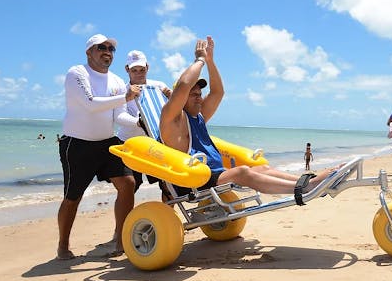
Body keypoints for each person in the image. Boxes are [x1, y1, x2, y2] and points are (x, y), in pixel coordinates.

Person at [159, 36, 338, 196]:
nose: (200, 98)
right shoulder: (173, 120)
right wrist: (200, 60)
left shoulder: (198, 117)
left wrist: (210, 61)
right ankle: (306, 188)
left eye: (200, 94)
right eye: (194, 95)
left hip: (215, 175)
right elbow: (184, 85)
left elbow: (217, 92)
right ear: (181, 99)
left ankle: (309, 181)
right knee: (242, 172)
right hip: (195, 182)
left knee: (263, 168)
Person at [57, 34, 141, 260]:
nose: (107, 52)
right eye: (101, 47)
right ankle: (63, 246)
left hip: (107, 143)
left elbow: (119, 115)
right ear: (89, 52)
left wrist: (138, 123)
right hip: (77, 144)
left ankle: (121, 239)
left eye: (111, 48)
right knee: (73, 197)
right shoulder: (77, 73)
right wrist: (125, 97)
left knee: (128, 183)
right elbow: (90, 104)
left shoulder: (116, 81)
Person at [117, 50, 171, 192]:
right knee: (132, 184)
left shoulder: (159, 86)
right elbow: (119, 117)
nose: (139, 74)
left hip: (153, 142)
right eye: (134, 70)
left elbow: (172, 110)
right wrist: (139, 122)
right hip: (129, 143)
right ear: (127, 69)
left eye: (142, 69)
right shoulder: (122, 90)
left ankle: (167, 206)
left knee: (167, 184)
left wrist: (172, 97)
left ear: (147, 67)